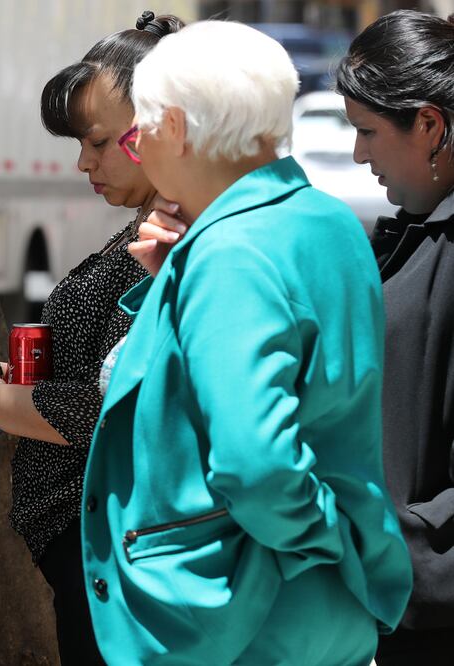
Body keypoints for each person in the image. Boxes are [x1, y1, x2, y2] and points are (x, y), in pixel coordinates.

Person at [83, 21, 413, 664]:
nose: (138, 149)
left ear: (173, 128)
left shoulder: (230, 252)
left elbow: (255, 465)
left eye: (136, 133)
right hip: (319, 612)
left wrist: (323, 535)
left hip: (237, 618)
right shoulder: (327, 221)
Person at [0, 11, 182, 664]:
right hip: (99, 551)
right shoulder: (149, 224)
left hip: (119, 552)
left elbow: (105, 408)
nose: (82, 162)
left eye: (99, 142)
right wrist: (1, 369)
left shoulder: (172, 236)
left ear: (161, 126)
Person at [336, 11, 454, 665]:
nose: (357, 154)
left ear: (429, 125)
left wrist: (391, 555)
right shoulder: (416, 230)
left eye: (367, 132)